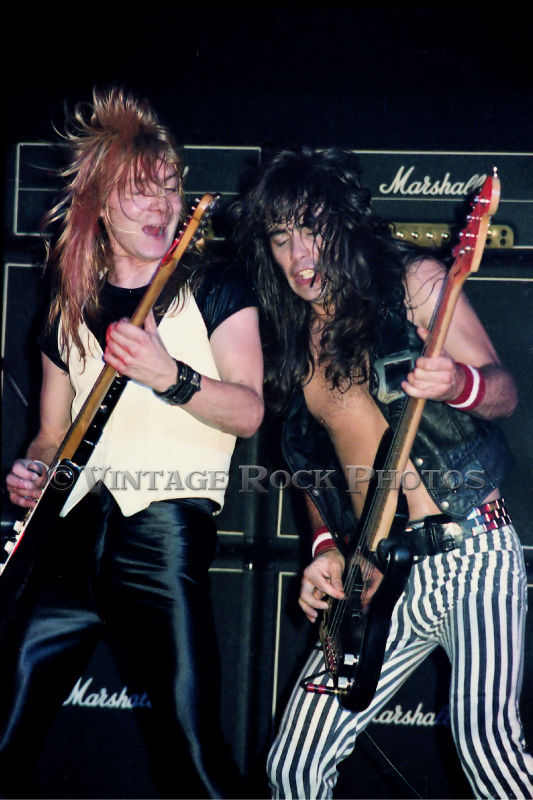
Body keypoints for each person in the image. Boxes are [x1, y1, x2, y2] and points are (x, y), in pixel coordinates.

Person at [234, 147, 533, 799]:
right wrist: (324, 547)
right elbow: (310, 468)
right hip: (376, 577)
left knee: (486, 749)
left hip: (471, 551)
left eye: (311, 227)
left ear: (342, 222)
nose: (299, 253)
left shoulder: (414, 281)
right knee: (294, 764)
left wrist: (458, 383)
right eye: (281, 238)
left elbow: (504, 390)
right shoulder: (291, 342)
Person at [0, 87, 264, 799]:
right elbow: (51, 434)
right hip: (67, 537)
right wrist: (32, 470)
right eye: (140, 190)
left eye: (170, 188)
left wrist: (170, 376)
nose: (162, 205)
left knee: (192, 758)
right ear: (99, 203)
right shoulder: (69, 298)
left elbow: (248, 411)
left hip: (162, 533)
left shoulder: (214, 284)